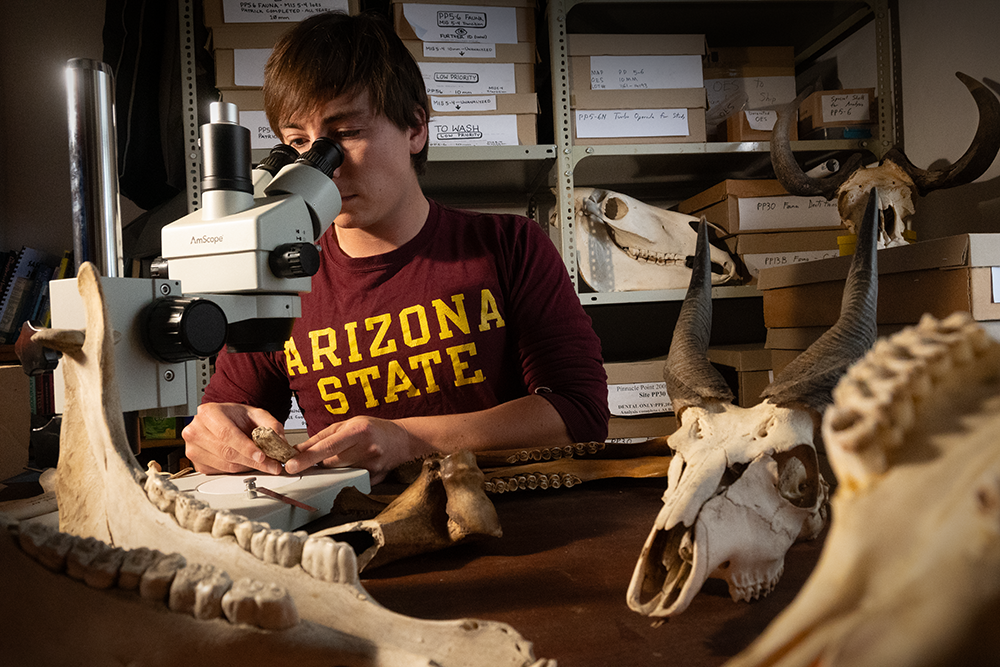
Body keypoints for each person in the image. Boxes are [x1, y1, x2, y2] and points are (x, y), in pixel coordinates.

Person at [182, 10, 608, 484]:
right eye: (298, 142)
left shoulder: (511, 247)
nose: (321, 167)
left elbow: (579, 414)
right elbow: (225, 423)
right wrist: (214, 437)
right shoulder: (277, 273)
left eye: (345, 134)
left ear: (415, 129)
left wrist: (408, 440)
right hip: (361, 534)